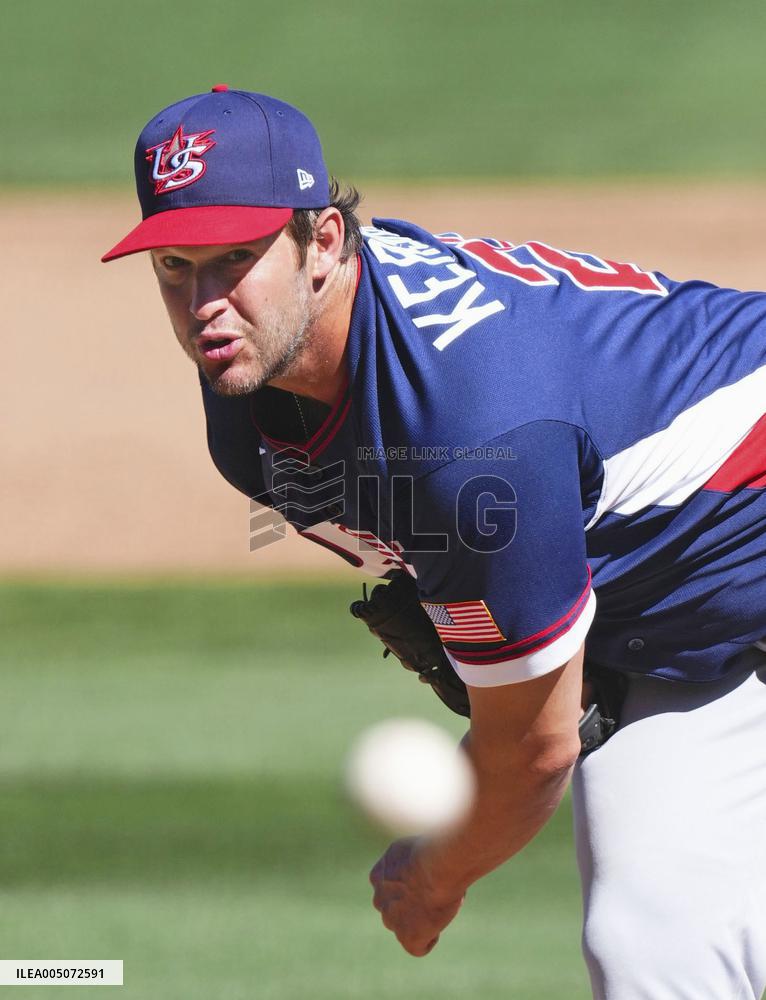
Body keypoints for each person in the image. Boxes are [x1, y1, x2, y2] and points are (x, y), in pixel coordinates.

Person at [102, 85, 766, 999]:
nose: (205, 303)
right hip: (687, 608)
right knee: (651, 949)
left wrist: (434, 877)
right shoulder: (256, 400)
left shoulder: (472, 432)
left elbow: (532, 750)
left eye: (235, 258)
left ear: (323, 242)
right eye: (175, 264)